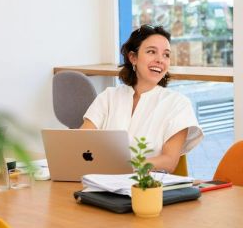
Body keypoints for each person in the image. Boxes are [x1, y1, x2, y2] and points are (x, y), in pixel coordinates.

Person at [80, 25, 203, 173]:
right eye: (151, 52)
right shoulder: (108, 97)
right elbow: (82, 143)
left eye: (166, 55)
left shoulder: (178, 104)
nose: (160, 60)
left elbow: (168, 162)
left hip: (148, 188)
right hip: (100, 182)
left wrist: (122, 166)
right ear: (133, 57)